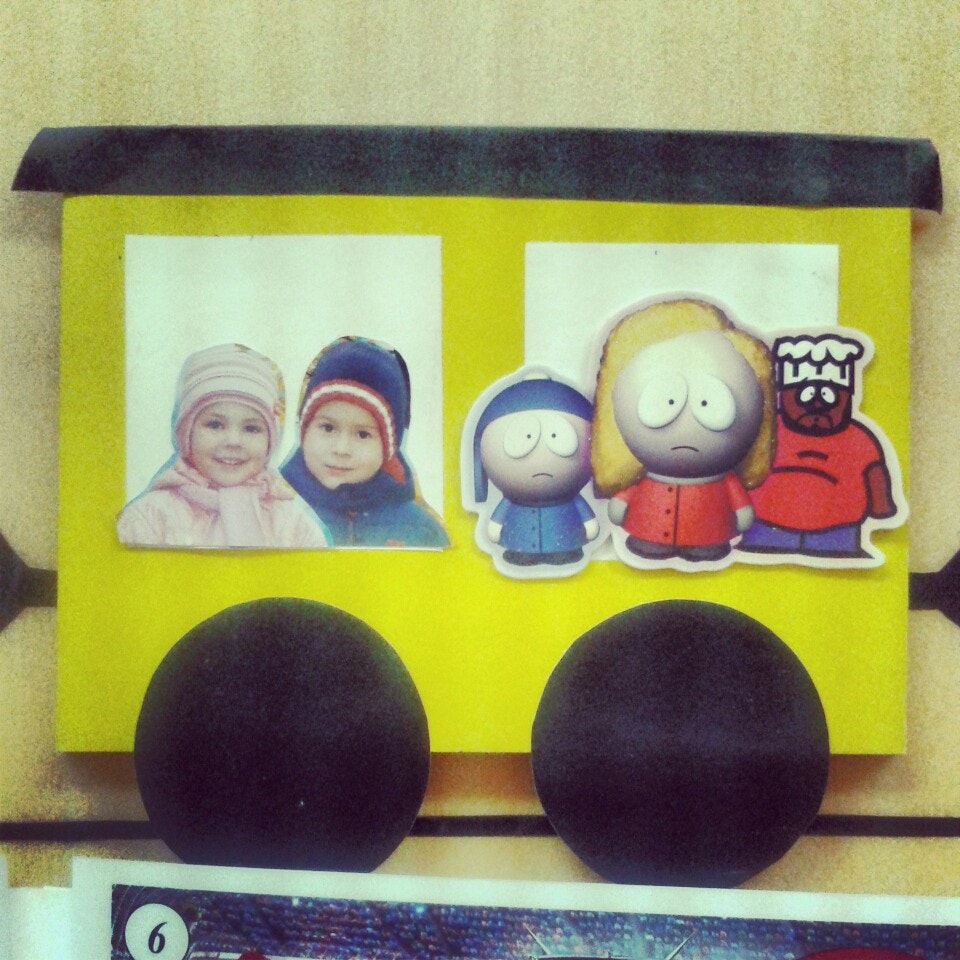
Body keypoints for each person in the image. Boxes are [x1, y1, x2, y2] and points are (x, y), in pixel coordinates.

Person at [591, 298, 775, 564]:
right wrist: (621, 502)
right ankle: (652, 543)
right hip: (648, 530)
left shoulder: (727, 477)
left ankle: (703, 546)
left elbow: (740, 504)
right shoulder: (638, 470)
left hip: (712, 532)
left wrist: (742, 510)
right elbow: (625, 495)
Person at [117, 343, 329, 549]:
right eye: (215, 425)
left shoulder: (294, 526)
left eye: (251, 428)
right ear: (186, 433)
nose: (233, 441)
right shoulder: (149, 517)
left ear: (269, 442)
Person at [738, 331, 903, 560]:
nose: (816, 405)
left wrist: (881, 507)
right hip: (765, 523)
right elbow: (743, 461)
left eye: (827, 396)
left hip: (837, 529)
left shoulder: (859, 438)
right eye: (805, 396)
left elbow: (874, 473)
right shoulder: (767, 427)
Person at [281, 337, 449, 548]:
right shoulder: (272, 514)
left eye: (362, 434)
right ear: (304, 431)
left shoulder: (420, 529)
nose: (341, 449)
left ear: (388, 448)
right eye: (328, 428)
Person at [471, 372, 599, 568]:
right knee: (520, 556)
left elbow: (585, 513)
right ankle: (523, 555)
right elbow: (500, 515)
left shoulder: (571, 497)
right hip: (518, 542)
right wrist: (495, 527)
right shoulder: (512, 499)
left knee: (566, 555)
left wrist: (590, 524)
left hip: (567, 542)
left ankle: (563, 553)